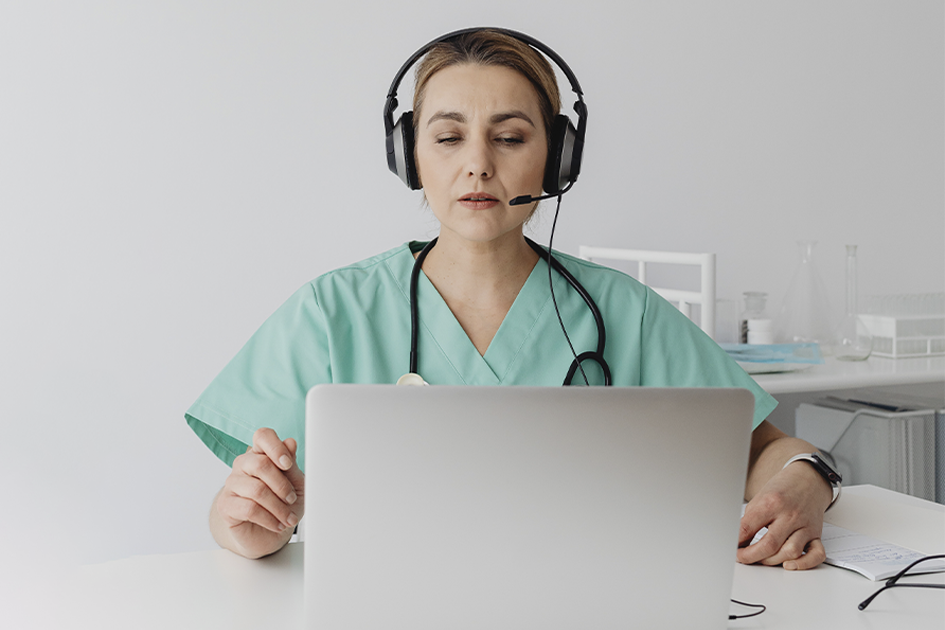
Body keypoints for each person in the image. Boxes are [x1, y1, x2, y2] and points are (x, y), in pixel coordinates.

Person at [186, 28, 836, 567]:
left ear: (556, 160)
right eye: (447, 137)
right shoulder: (332, 313)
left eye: (509, 137)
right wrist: (243, 524)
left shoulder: (624, 313)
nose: (477, 165)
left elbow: (763, 450)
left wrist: (808, 481)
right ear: (408, 156)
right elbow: (244, 504)